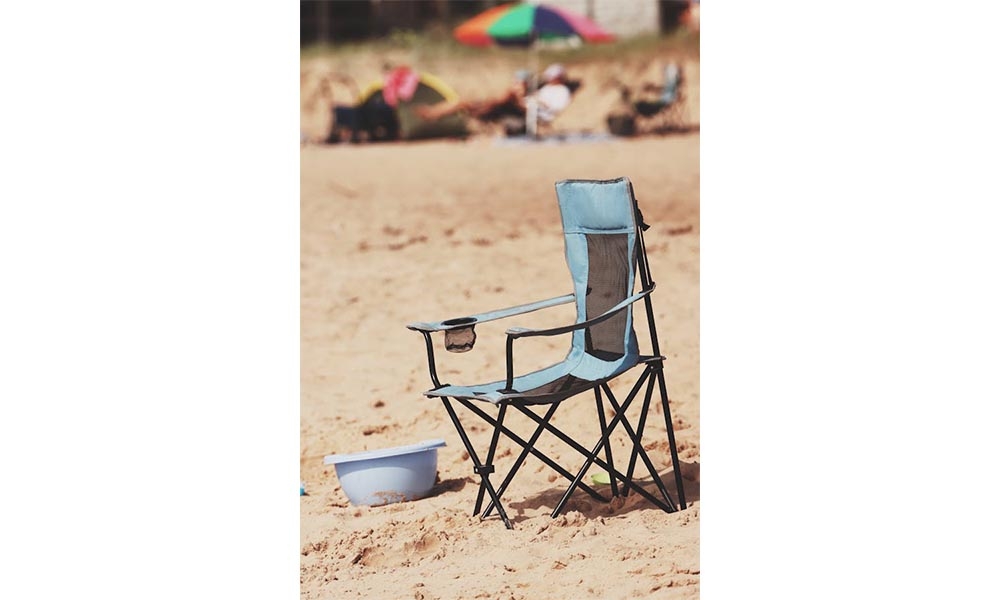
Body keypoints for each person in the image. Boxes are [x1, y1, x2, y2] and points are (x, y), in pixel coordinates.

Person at [416, 64, 576, 134]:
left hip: (534, 112)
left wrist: (532, 100)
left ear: (560, 77)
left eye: (553, 76)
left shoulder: (562, 91)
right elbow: (533, 98)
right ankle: (433, 113)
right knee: (463, 102)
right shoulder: (546, 88)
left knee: (507, 95)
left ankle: (434, 113)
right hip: (521, 107)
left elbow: (552, 108)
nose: (550, 79)